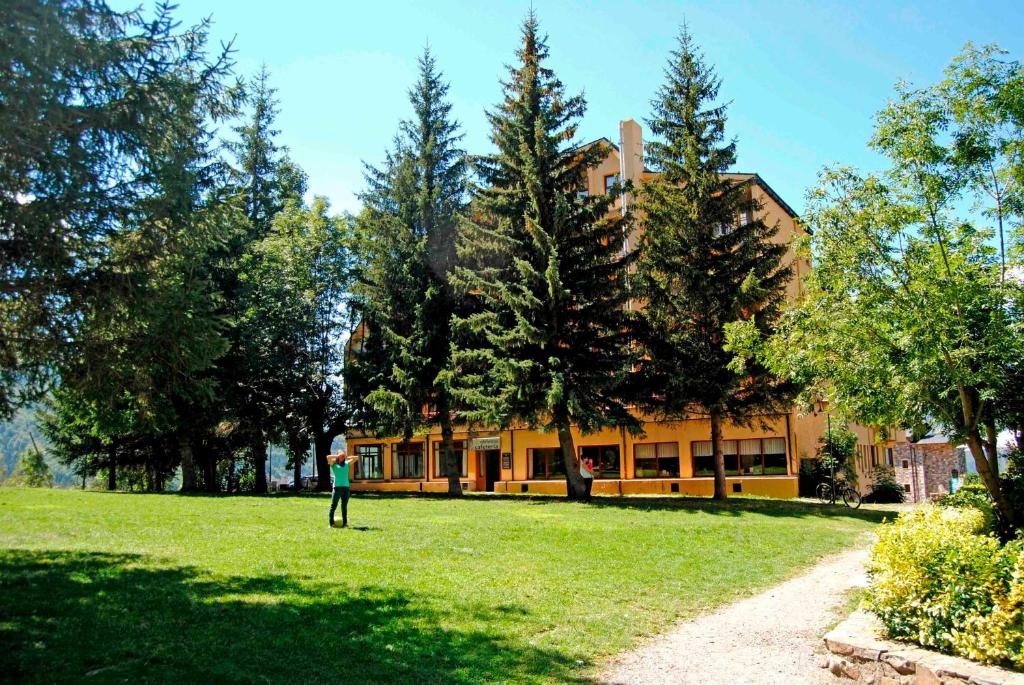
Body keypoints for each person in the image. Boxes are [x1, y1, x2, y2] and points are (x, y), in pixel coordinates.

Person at [328, 450, 358, 528]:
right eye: (340, 455)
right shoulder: (334, 465)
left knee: (344, 507)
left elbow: (356, 458)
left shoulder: (347, 464)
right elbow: (328, 457)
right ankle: (331, 524)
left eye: (343, 456)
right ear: (337, 456)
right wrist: (337, 456)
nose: (342, 457)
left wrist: (346, 456)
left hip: (346, 488)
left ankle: (345, 524)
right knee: (333, 506)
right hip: (337, 488)